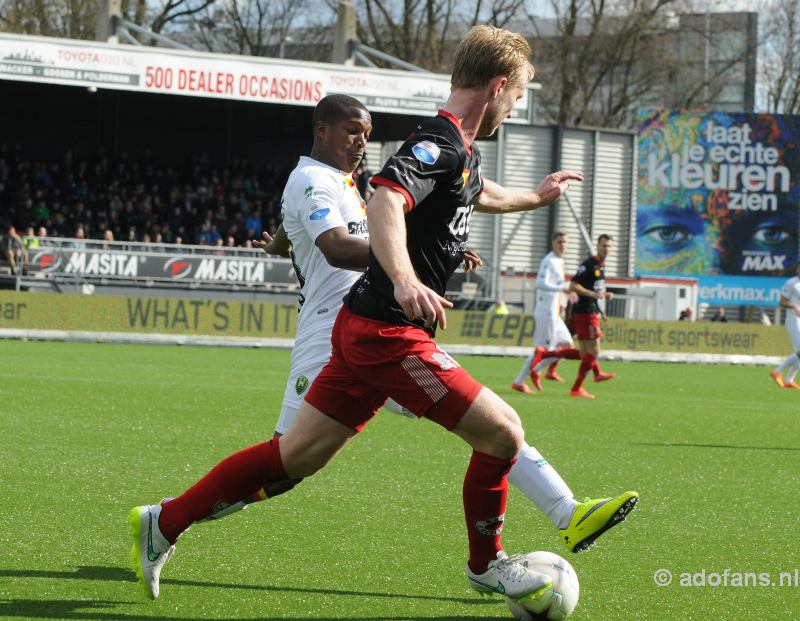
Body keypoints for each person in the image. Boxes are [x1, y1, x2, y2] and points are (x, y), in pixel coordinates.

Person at [130, 27, 638, 604]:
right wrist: (404, 278)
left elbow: (476, 191)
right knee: (502, 433)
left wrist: (535, 197)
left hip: (358, 327)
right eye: (517, 97)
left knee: (294, 457)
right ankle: (492, 561)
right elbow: (386, 197)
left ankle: (164, 522)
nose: (515, 110)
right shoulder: (438, 144)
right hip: (387, 334)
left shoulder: (460, 152)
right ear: (498, 86)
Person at [512, 231, 580, 394]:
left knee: (567, 345)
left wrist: (563, 299)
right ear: (553, 243)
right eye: (559, 242)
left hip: (554, 312)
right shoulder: (548, 261)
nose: (562, 245)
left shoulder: (559, 260)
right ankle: (519, 381)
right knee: (542, 349)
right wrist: (562, 288)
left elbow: (557, 285)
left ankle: (538, 369)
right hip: (546, 312)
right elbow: (540, 283)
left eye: (565, 242)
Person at [567, 234, 617, 399]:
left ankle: (596, 374)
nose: (607, 249)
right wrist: (594, 295)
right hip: (584, 312)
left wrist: (601, 311)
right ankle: (577, 387)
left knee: (585, 353)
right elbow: (573, 285)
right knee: (594, 351)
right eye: (604, 245)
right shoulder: (588, 264)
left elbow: (598, 293)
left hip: (590, 311)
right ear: (597, 245)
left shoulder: (601, 266)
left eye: (609, 246)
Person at [770, 263, 800, 390]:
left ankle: (789, 380)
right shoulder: (791, 283)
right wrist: (794, 306)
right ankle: (777, 371)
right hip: (793, 319)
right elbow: (782, 301)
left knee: (798, 352)